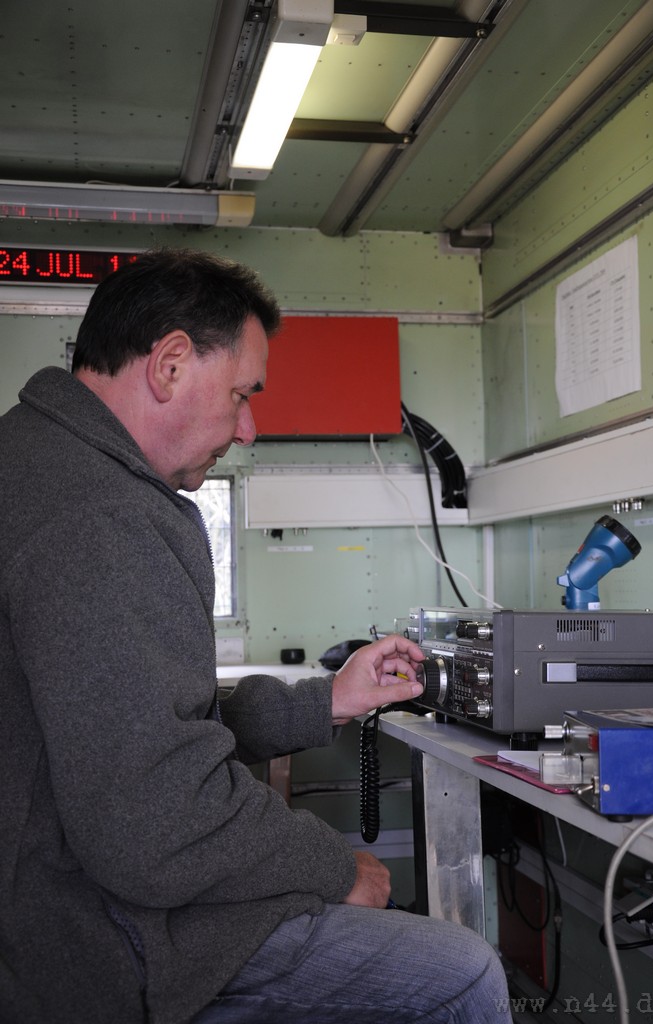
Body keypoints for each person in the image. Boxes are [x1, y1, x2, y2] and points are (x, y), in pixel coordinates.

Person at [0, 248, 511, 1024]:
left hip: (63, 899)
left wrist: (324, 702)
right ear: (170, 364)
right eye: (241, 394)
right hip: (87, 942)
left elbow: (143, 727)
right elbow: (154, 823)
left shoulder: (38, 461)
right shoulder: (100, 517)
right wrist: (333, 866)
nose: (248, 429)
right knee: (463, 973)